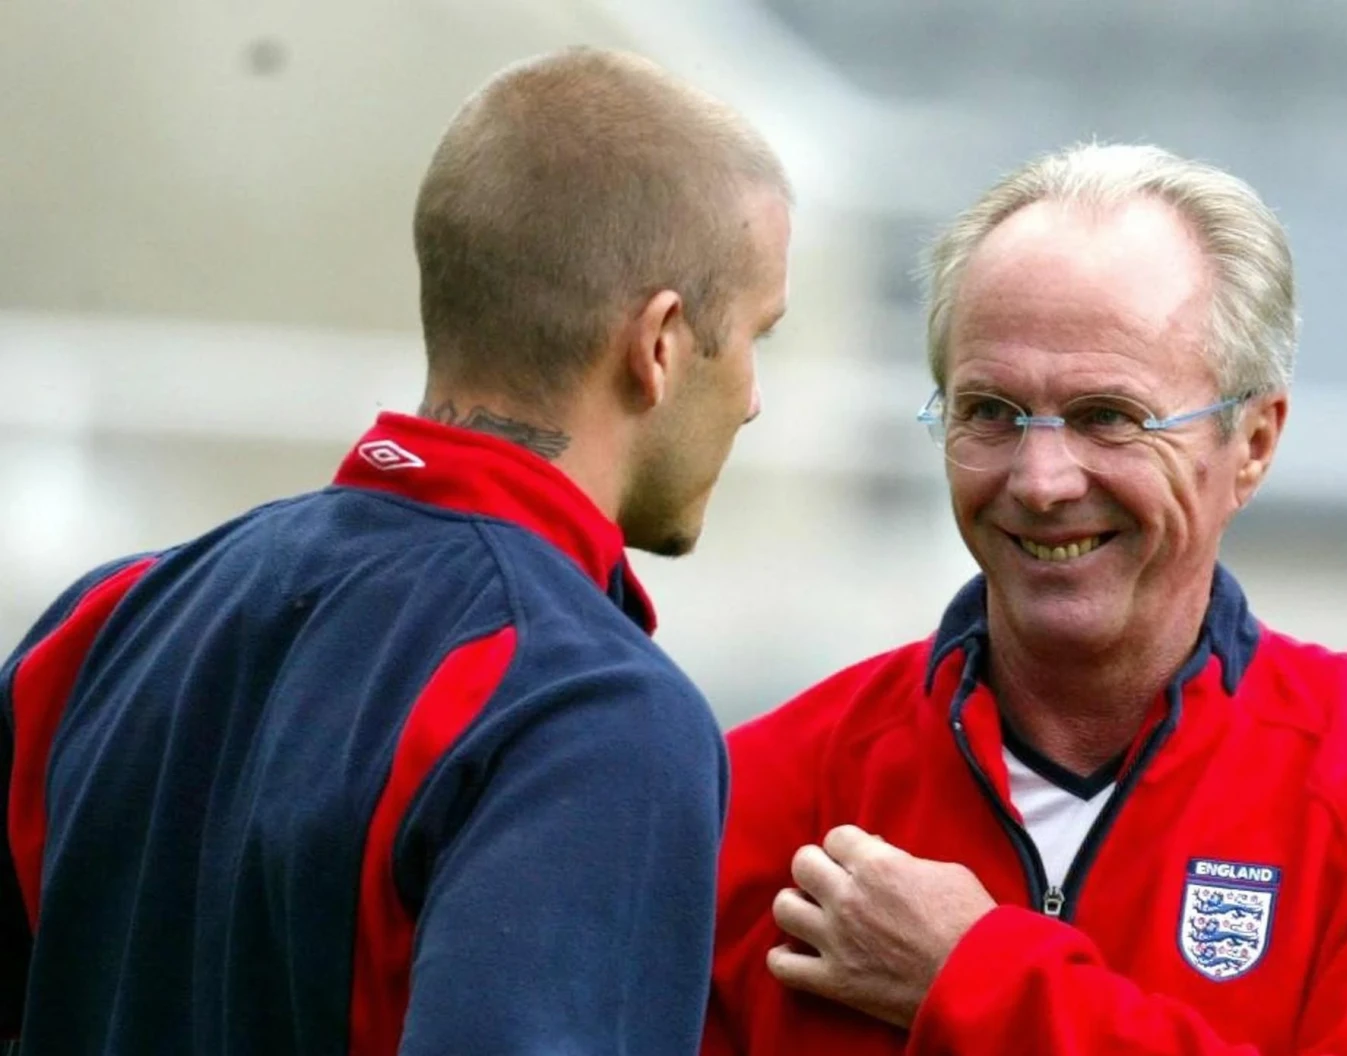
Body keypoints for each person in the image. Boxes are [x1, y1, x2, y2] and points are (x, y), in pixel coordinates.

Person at [1, 46, 791, 1055]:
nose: (757, 396)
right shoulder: (585, 713)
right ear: (662, 342)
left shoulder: (108, 623)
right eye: (757, 332)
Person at [706, 143, 1347, 1055]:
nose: (1043, 478)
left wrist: (975, 978)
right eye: (991, 412)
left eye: (1109, 417)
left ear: (1252, 443)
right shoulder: (766, 792)